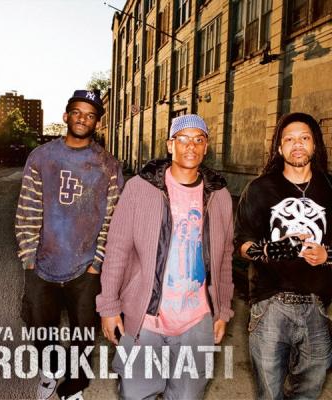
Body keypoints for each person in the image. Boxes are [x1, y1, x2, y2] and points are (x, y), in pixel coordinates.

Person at [97, 114, 234, 399]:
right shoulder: (140, 188)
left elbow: (224, 258)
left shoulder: (219, 195)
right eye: (183, 139)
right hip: (146, 317)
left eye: (198, 139)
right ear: (170, 145)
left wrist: (223, 311)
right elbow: (117, 249)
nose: (191, 146)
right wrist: (108, 306)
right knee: (137, 394)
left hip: (197, 319)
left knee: (187, 395)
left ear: (206, 146)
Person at [15, 89, 123, 400]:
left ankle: (74, 387)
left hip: (85, 267)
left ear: (97, 123)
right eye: (77, 112)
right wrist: (29, 257)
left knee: (84, 335)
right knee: (39, 326)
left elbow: (112, 216)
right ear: (66, 116)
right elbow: (28, 207)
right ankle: (50, 370)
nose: (82, 119)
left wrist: (97, 262)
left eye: (90, 115)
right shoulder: (42, 156)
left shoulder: (108, 165)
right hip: (43, 262)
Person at [234, 112, 332, 399]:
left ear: (315, 145)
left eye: (304, 138)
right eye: (289, 139)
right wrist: (271, 249)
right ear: (279, 148)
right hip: (270, 304)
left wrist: (327, 255)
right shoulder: (259, 189)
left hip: (318, 305)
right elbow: (241, 244)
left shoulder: (330, 188)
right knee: (269, 394)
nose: (297, 144)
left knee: (309, 391)